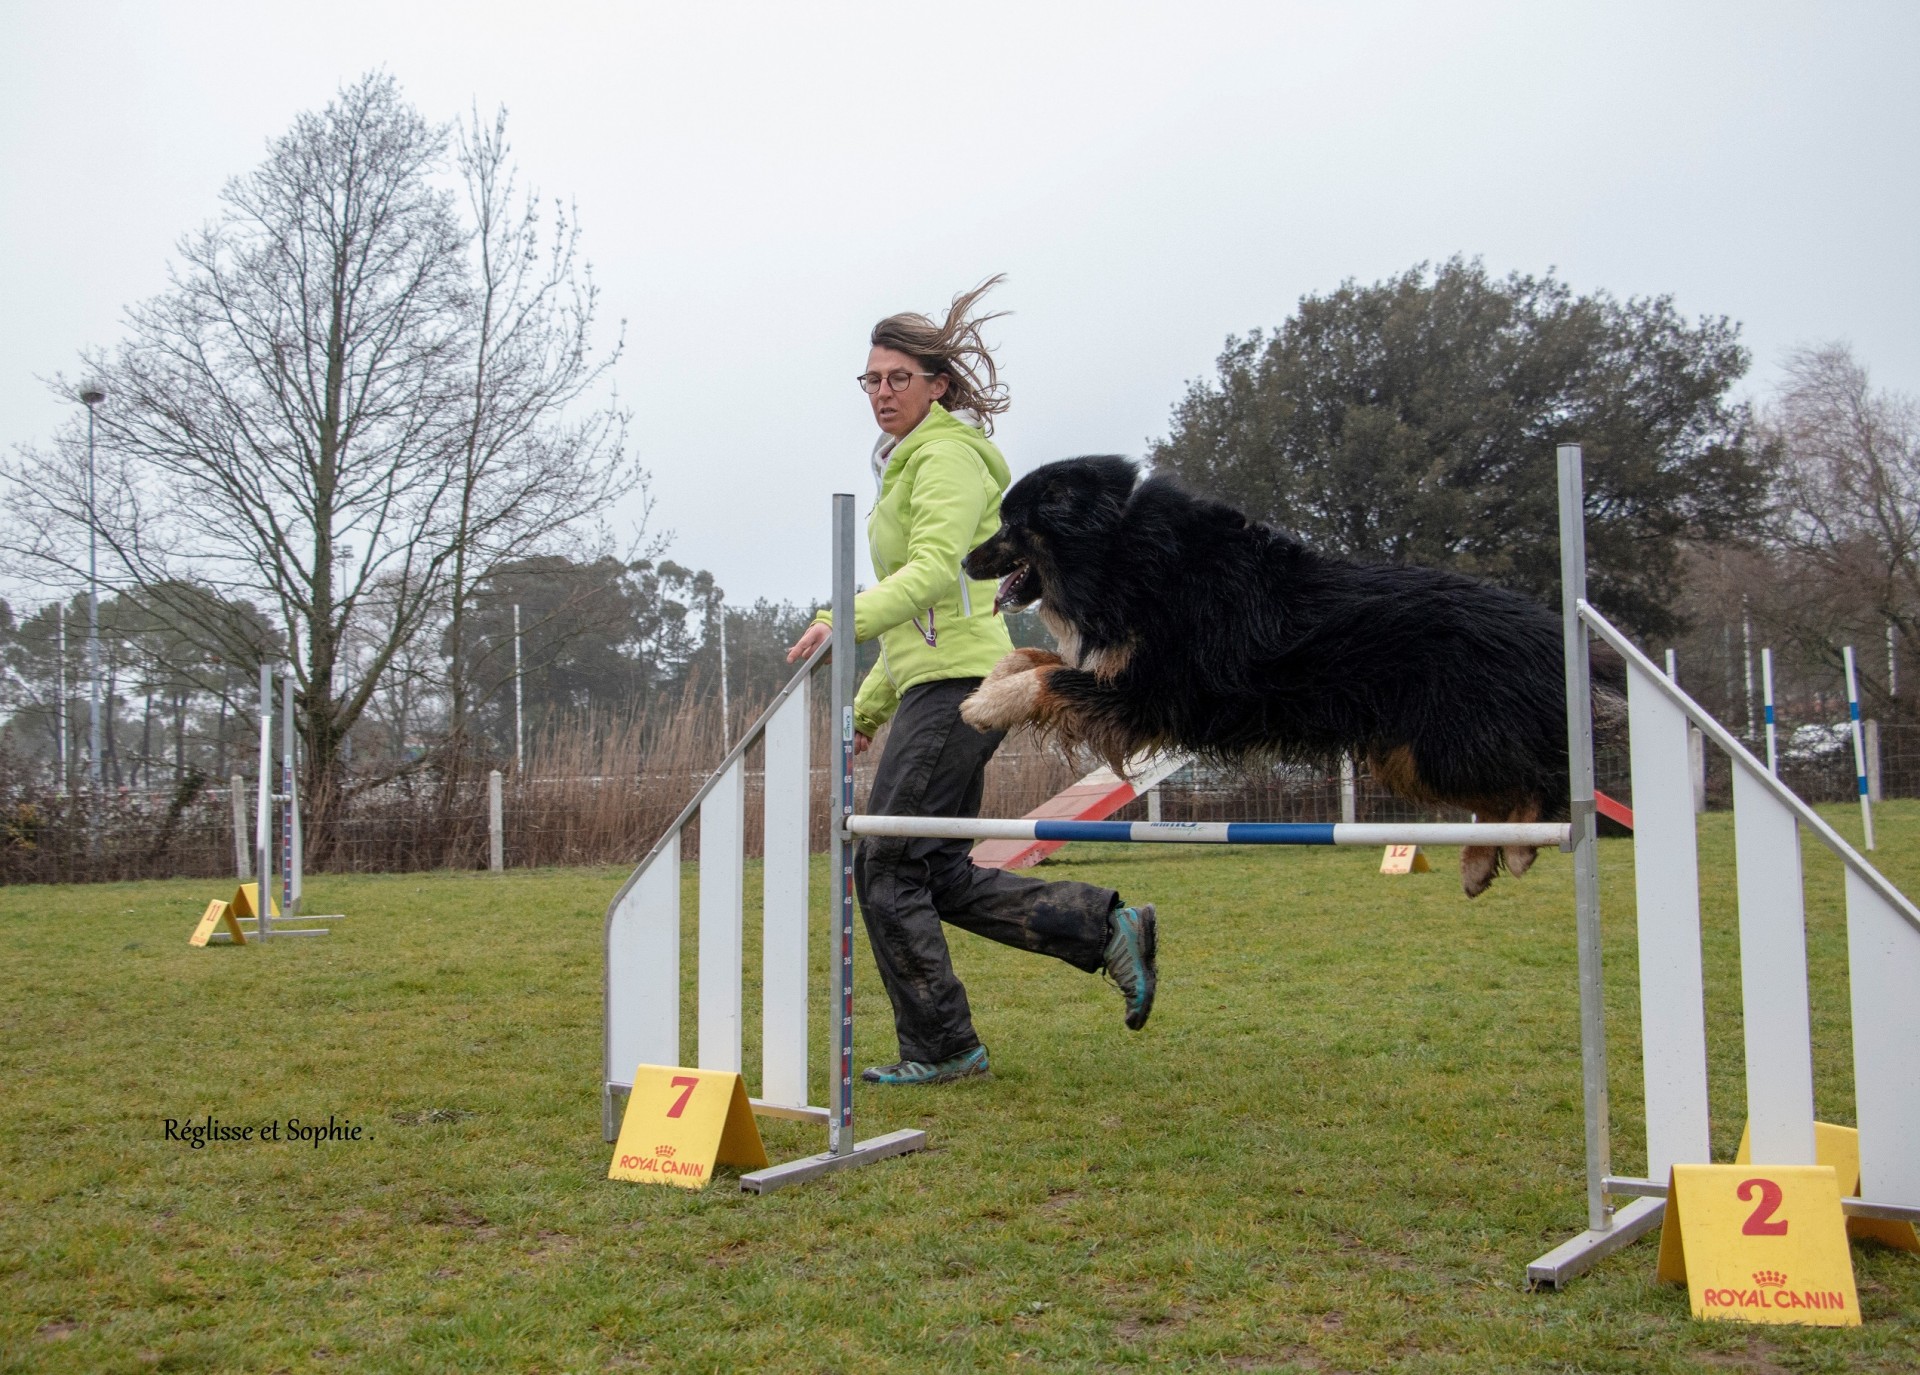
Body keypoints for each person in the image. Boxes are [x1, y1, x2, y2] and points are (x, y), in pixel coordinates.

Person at [785, 277, 1157, 1086]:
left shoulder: (947, 457)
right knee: (935, 872)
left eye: (898, 379)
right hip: (937, 683)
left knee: (884, 867)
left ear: (937, 384)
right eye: (872, 379)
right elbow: (922, 626)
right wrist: (869, 706)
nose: (882, 393)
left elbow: (929, 576)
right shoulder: (907, 462)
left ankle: (944, 1046)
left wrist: (834, 616)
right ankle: (1106, 929)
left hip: (960, 692)